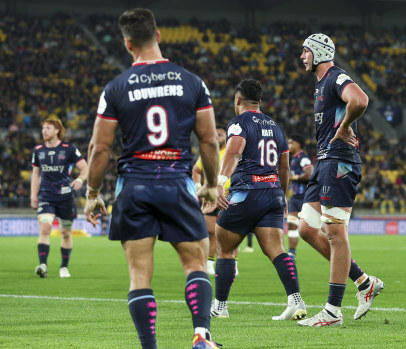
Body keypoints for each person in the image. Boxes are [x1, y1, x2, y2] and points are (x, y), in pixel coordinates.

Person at [83, 8, 220, 349]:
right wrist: (211, 183)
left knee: (139, 275)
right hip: (177, 183)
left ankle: (150, 347)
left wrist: (92, 192)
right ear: (158, 35)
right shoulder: (192, 82)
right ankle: (201, 336)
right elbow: (208, 139)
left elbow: (100, 149)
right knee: (196, 263)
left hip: (134, 187)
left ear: (128, 44)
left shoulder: (115, 88)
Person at [297, 33, 384, 327]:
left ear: (319, 53)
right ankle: (363, 282)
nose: (302, 57)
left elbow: (360, 99)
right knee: (307, 229)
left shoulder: (335, 76)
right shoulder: (322, 84)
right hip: (324, 161)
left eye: (305, 52)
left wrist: (345, 125)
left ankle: (333, 311)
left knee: (335, 233)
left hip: (339, 161)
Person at [209, 79, 307, 322]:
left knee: (225, 249)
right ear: (260, 102)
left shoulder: (239, 123)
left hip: (246, 191)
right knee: (277, 251)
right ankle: (296, 300)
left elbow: (233, 152)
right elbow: (283, 168)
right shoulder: (276, 127)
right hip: (273, 191)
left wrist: (220, 182)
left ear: (238, 100)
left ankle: (220, 306)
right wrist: (283, 197)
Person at [30, 117, 87, 279]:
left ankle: (63, 267)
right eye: (43, 128)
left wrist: (80, 179)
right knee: (45, 228)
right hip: (46, 196)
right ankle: (43, 265)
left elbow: (85, 168)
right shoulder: (38, 150)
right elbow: (35, 174)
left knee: (66, 233)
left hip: (65, 197)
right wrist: (33, 195)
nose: (44, 131)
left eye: (48, 128)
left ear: (57, 130)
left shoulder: (69, 149)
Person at [192, 125, 238, 276]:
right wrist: (199, 187)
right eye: (215, 134)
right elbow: (196, 170)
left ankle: (233, 263)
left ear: (226, 137)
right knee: (210, 232)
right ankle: (210, 263)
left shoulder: (233, 151)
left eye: (220, 134)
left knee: (232, 232)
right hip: (210, 197)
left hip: (229, 196)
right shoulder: (207, 153)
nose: (217, 136)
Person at [287, 133, 314, 258]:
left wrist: (293, 177)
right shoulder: (294, 159)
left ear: (298, 145)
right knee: (292, 224)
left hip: (305, 197)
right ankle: (291, 253)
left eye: (291, 143)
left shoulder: (303, 158)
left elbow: (309, 174)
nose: (288, 145)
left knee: (311, 229)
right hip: (295, 198)